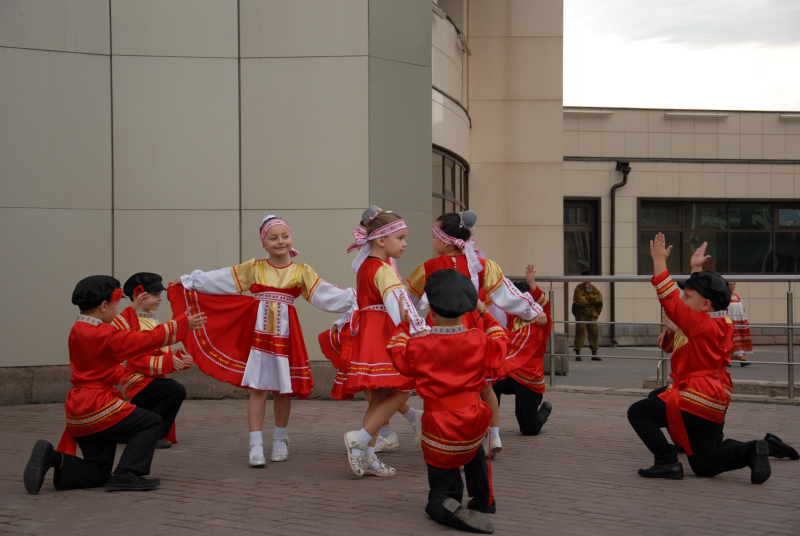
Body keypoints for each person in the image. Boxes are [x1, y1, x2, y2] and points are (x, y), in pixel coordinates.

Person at [170, 215, 357, 467]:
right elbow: (222, 278)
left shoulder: (302, 272)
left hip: (287, 335)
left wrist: (356, 300)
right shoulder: (254, 268)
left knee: (282, 390)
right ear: (264, 243)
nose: (280, 241)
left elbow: (326, 294)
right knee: (258, 389)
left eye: (285, 236)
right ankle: (255, 443)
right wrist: (189, 281)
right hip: (258, 335)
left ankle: (280, 439)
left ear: (291, 239)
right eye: (273, 238)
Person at [23, 275, 206, 495]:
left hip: (77, 410)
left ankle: (53, 458)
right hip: (98, 406)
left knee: (99, 472)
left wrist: (133, 309)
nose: (117, 310)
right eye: (115, 304)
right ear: (103, 306)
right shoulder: (105, 335)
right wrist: (181, 324)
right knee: (151, 422)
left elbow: (119, 333)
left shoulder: (78, 329)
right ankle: (127, 473)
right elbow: (141, 340)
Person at [627, 235, 772, 484]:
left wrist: (659, 262)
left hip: (695, 396)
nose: (683, 300)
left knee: (638, 413)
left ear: (705, 305)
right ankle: (750, 450)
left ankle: (666, 461)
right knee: (703, 464)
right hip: (714, 399)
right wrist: (696, 269)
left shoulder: (700, 324)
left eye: (687, 297)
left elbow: (671, 302)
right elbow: (696, 301)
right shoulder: (721, 321)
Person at [404, 211, 545, 458]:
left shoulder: (428, 267)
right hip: (475, 327)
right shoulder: (483, 265)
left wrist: (403, 322)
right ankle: (493, 434)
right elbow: (507, 296)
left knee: (443, 382)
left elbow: (407, 300)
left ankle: (447, 434)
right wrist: (532, 309)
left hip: (441, 329)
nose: (432, 241)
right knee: (484, 384)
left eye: (434, 236)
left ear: (445, 241)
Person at [387, 269, 507, 534]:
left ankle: (447, 502)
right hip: (475, 418)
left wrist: (403, 325)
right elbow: (500, 340)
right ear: (466, 311)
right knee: (474, 451)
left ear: (430, 309)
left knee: (442, 484)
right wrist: (484, 311)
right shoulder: (478, 339)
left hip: (441, 424)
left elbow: (397, 354)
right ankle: (484, 498)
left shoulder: (420, 345)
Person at [337, 206, 430, 478]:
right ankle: (360, 440)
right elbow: (399, 303)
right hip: (382, 335)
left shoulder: (367, 265)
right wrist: (417, 329)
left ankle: (367, 455)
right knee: (401, 391)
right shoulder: (382, 268)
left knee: (378, 398)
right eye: (399, 238)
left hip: (369, 333)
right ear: (380, 240)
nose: (404, 244)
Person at [113, 272, 194, 448]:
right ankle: (152, 435)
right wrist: (169, 361)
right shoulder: (132, 321)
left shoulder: (149, 319)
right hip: (137, 379)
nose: (160, 298)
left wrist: (177, 359)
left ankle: (137, 432)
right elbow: (134, 357)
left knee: (169, 391)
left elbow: (156, 349)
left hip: (149, 378)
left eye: (160, 294)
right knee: (174, 390)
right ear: (138, 295)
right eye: (155, 294)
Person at [492, 272, 554, 436]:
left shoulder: (542, 319)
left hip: (530, 376)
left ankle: (545, 410)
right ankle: (489, 424)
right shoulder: (510, 316)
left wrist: (532, 285)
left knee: (529, 429)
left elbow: (545, 307)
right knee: (490, 381)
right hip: (509, 370)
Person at [572, 271, 603, 361]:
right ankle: (578, 353)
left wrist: (587, 298)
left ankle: (594, 353)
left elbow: (600, 299)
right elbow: (579, 300)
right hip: (581, 314)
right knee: (580, 333)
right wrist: (592, 300)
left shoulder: (594, 288)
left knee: (594, 333)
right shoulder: (578, 288)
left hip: (592, 315)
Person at [727, 281, 753, 366]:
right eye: (730, 285)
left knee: (737, 340)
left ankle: (730, 359)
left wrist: (744, 320)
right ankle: (741, 359)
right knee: (732, 340)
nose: (732, 287)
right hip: (730, 322)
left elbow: (742, 309)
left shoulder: (736, 296)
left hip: (738, 322)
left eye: (733, 285)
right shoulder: (725, 296)